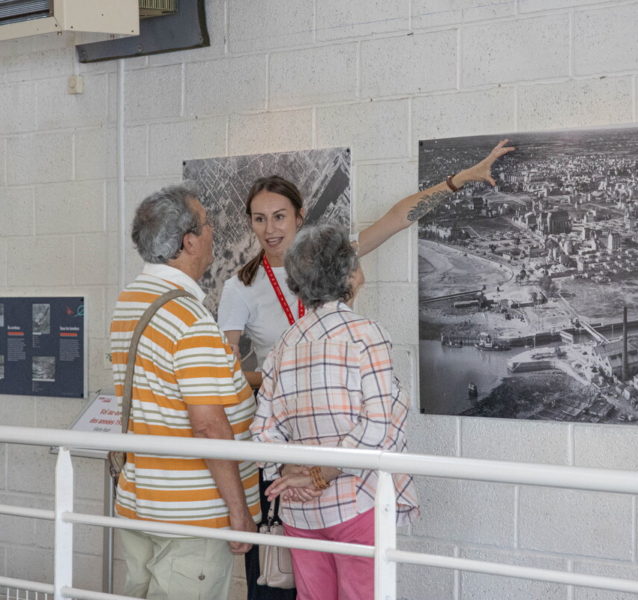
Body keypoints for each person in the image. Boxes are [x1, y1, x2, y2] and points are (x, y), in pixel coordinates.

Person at [218, 139, 513, 599]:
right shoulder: (241, 286)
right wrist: (294, 380)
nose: (269, 228)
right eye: (259, 218)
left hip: (328, 435)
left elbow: (398, 218)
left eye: (279, 216)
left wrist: (459, 180)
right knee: (284, 578)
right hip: (291, 438)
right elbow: (227, 371)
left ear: (299, 215)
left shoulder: (328, 261)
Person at [250, 223, 419, 600]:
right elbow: (378, 426)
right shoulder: (365, 334)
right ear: (349, 273)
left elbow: (262, 433)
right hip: (355, 501)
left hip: (299, 511)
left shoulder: (284, 344)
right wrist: (318, 475)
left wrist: (290, 473)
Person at [110, 183, 260, 600]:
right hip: (192, 515)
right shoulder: (189, 318)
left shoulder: (130, 302)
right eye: (209, 223)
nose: (214, 232)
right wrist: (238, 512)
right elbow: (209, 426)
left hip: (141, 502)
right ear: (189, 242)